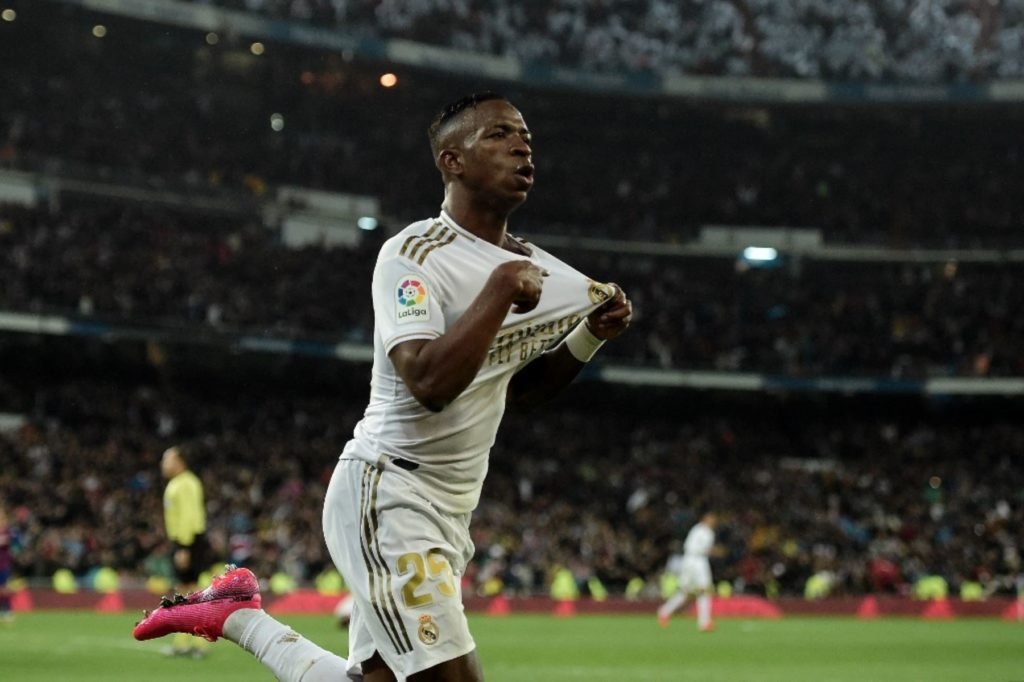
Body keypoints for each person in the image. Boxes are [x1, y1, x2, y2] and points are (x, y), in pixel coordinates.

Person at [134, 91, 633, 682]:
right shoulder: (413, 255)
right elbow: (425, 380)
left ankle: (240, 618)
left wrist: (588, 336)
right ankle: (239, 618)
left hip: (450, 510)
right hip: (388, 492)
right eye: (498, 134)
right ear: (452, 161)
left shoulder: (539, 272)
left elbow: (518, 392)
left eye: (524, 135)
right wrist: (499, 291)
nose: (522, 145)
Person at [159, 445, 212, 657]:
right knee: (185, 593)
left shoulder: (186, 484)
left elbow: (190, 517)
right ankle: (185, 642)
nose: (163, 464)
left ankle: (199, 643)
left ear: (179, 461)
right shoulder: (179, 483)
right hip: (183, 542)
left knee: (190, 593)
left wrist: (184, 547)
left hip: (188, 542)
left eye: (167, 459)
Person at [657, 511, 718, 632]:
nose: (713, 522)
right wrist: (717, 551)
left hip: (687, 560)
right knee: (703, 591)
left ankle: (664, 612)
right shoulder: (707, 532)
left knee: (687, 592)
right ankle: (704, 622)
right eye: (711, 519)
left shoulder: (696, 529)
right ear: (705, 518)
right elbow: (705, 550)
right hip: (698, 562)